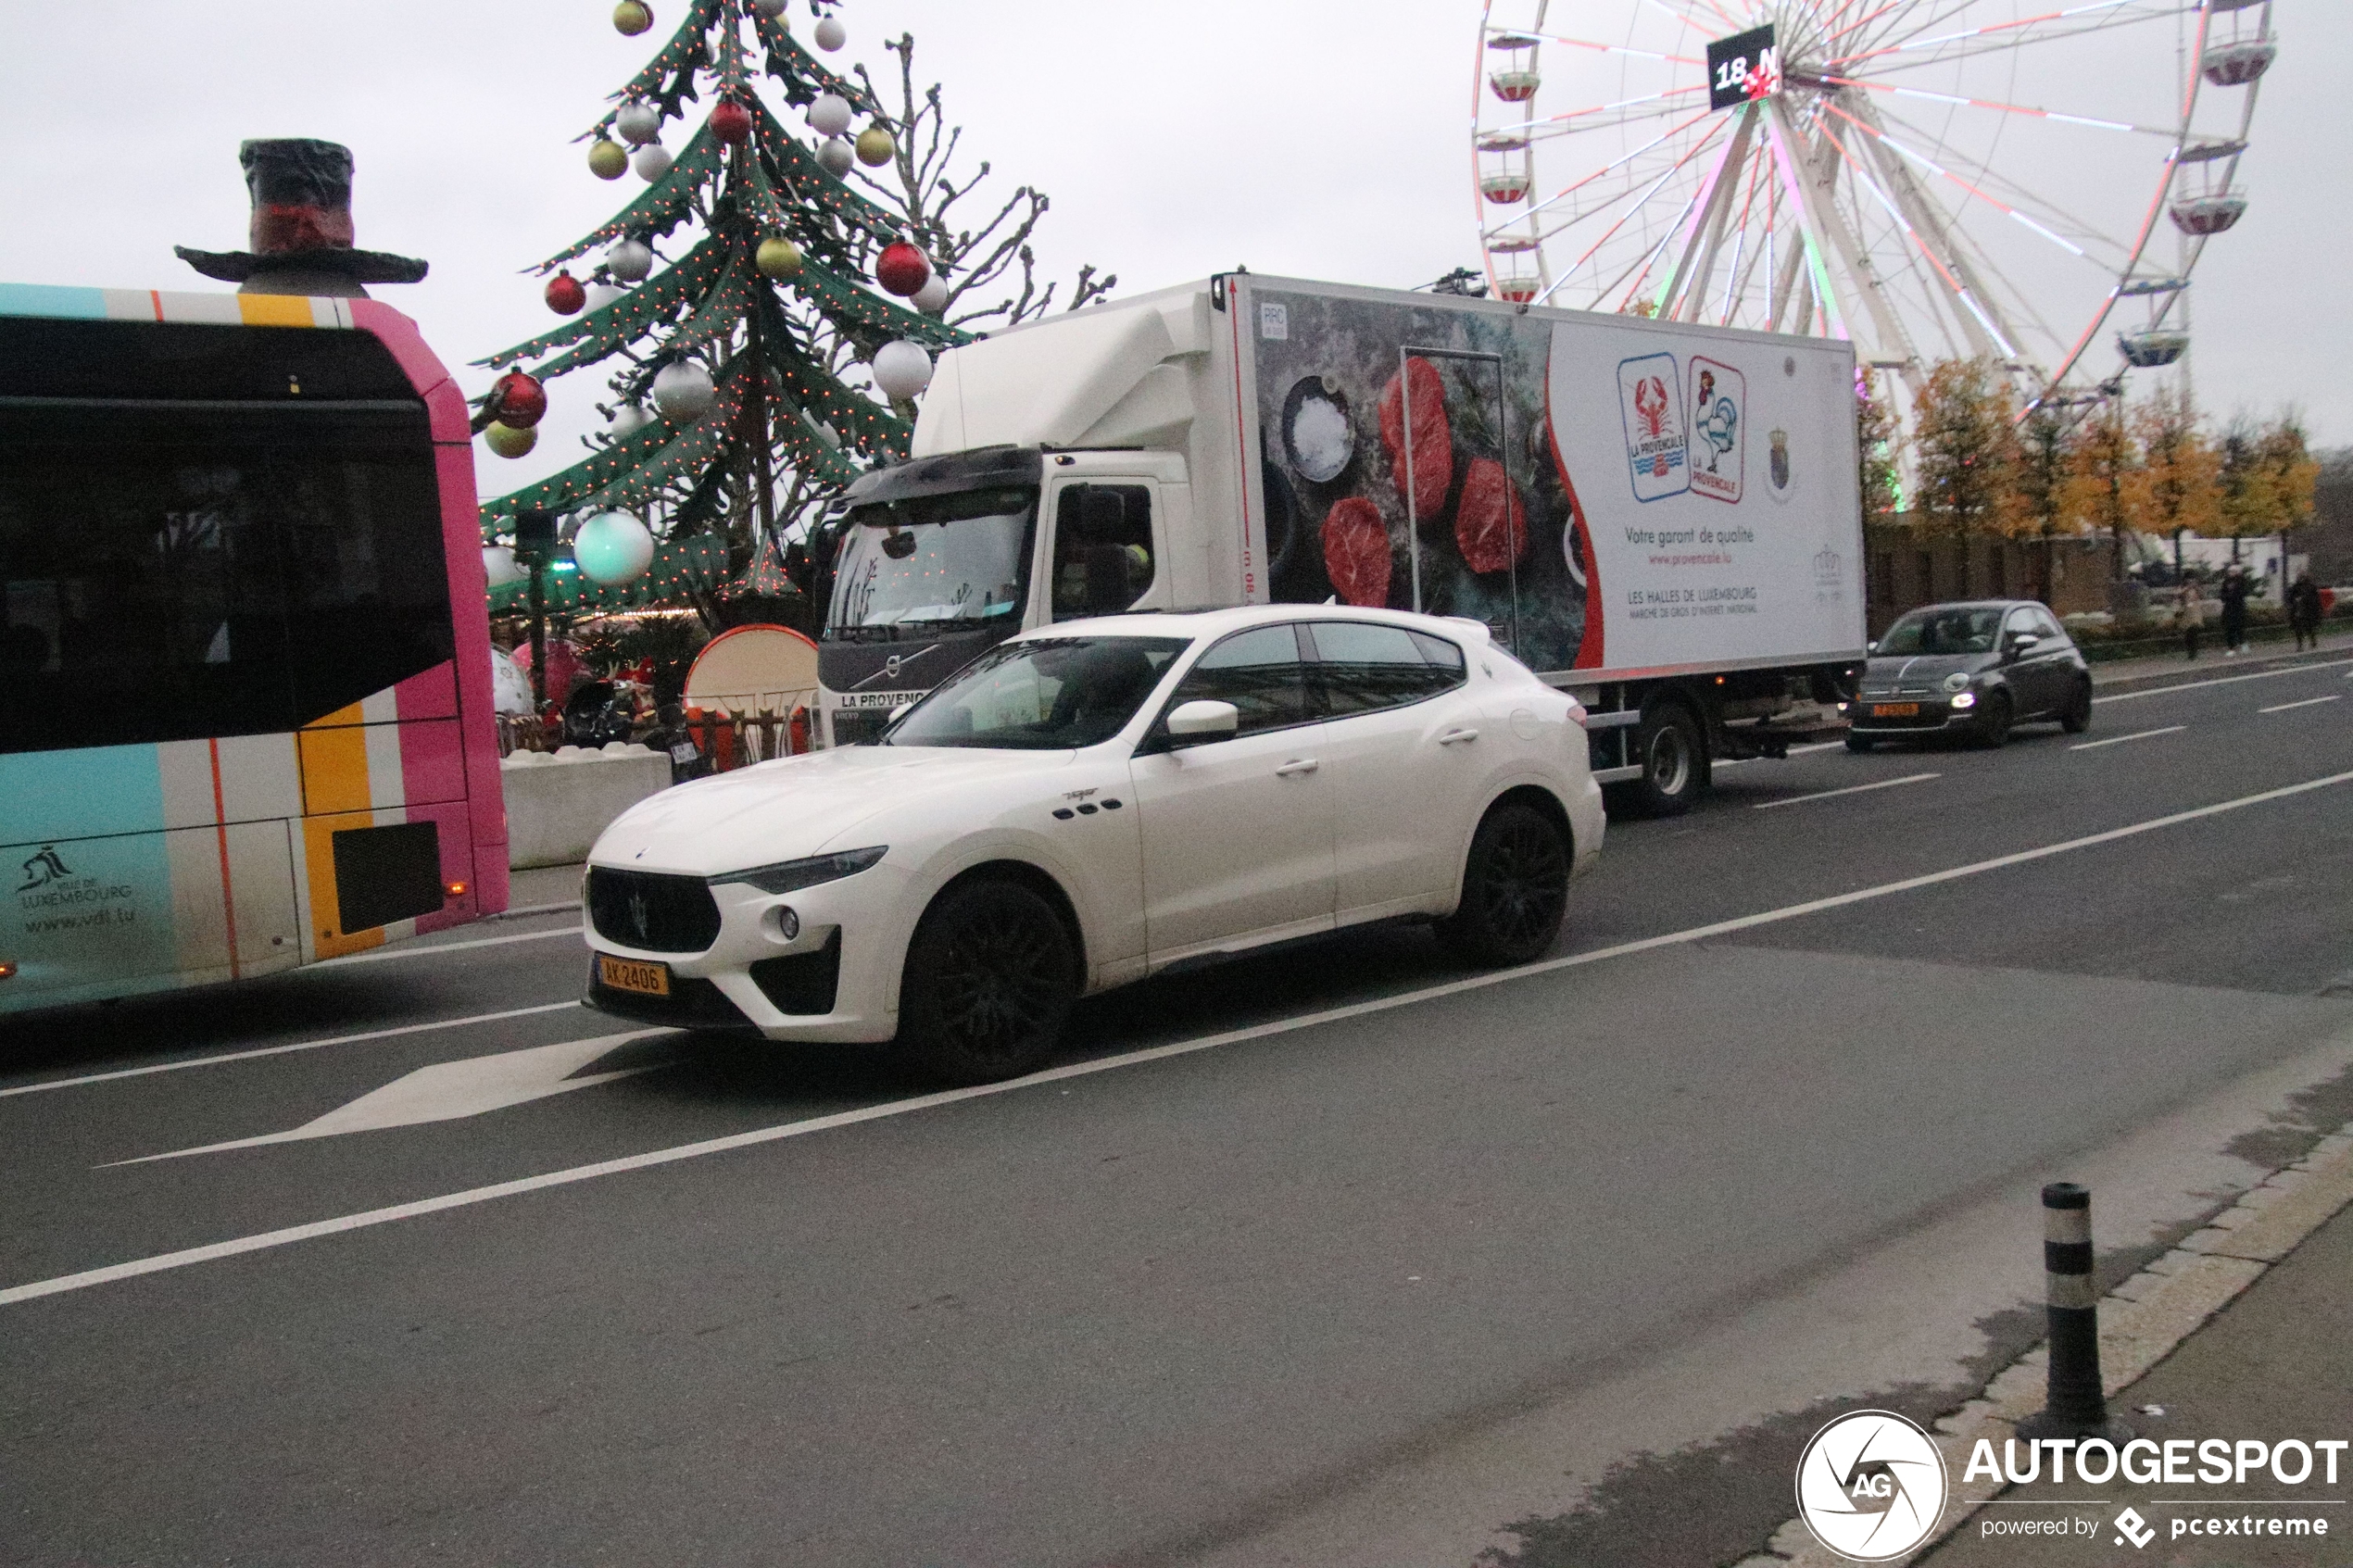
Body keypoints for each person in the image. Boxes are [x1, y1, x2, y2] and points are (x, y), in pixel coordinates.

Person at [2219, 563, 2250, 656]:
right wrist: (2225, 597)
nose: (2230, 573)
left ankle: (2242, 643)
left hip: (2238, 608)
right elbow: (2222, 593)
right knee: (2229, 628)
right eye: (2230, 571)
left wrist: (2231, 596)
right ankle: (2231, 648)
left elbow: (2242, 593)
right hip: (2228, 608)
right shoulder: (2226, 582)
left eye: (2233, 571)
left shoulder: (2242, 581)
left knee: (2239, 627)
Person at [2288, 572, 2324, 652]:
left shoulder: (2311, 587)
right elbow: (2290, 598)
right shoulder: (2295, 587)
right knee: (2298, 629)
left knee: (2309, 628)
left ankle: (2312, 640)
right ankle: (2300, 645)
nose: (2301, 579)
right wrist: (2294, 602)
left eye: (2303, 577)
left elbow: (2316, 600)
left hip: (2308, 611)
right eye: (2300, 577)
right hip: (2297, 611)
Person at [2179, 577, 2204, 660]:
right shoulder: (2184, 590)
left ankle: (2193, 654)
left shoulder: (2197, 590)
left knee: (2193, 634)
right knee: (2188, 636)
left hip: (2195, 615)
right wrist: (2186, 589)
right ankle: (2190, 653)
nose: (2191, 583)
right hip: (2187, 615)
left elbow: (2202, 594)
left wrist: (2196, 588)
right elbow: (2179, 595)